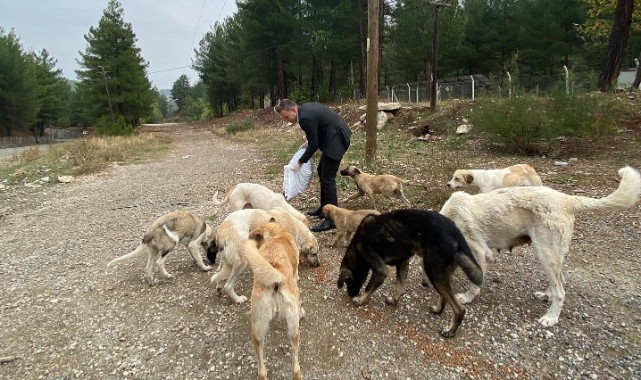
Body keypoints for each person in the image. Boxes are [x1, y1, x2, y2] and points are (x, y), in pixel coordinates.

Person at [275, 99, 351, 232]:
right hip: (331, 135)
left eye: (287, 117)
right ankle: (323, 209)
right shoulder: (305, 110)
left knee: (328, 179)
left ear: (293, 109)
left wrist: (300, 162)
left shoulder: (305, 118)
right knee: (321, 171)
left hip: (336, 139)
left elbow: (314, 145)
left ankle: (332, 219)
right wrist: (306, 145)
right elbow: (313, 138)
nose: (287, 120)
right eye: (283, 118)